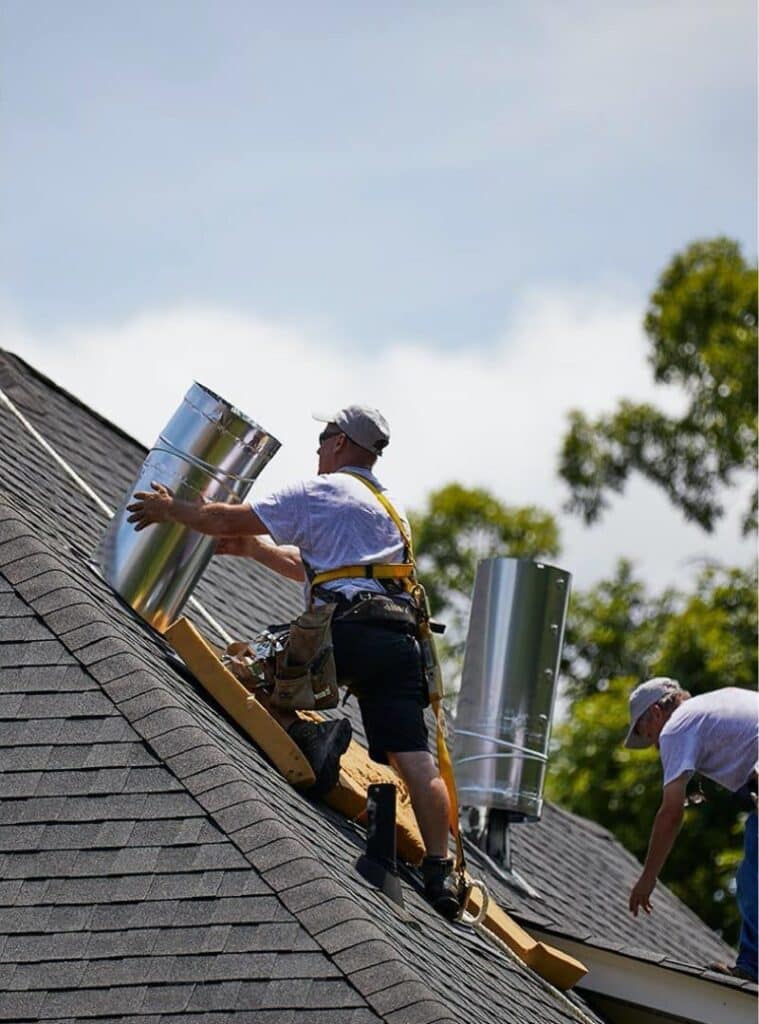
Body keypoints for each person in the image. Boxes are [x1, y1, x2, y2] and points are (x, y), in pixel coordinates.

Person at [127, 404, 463, 919]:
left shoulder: (319, 491)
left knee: (248, 671)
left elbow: (222, 516)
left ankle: (311, 736)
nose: (318, 447)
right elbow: (330, 570)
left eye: (324, 436)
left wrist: (173, 510)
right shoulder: (389, 508)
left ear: (340, 443)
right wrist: (257, 552)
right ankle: (441, 872)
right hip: (398, 641)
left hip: (345, 632)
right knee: (414, 760)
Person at [625, 677, 758, 981]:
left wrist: (647, 879)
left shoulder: (676, 727)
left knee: (753, 880)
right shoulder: (718, 699)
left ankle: (754, 966)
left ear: (657, 712)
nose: (658, 746)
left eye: (651, 736)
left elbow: (670, 814)